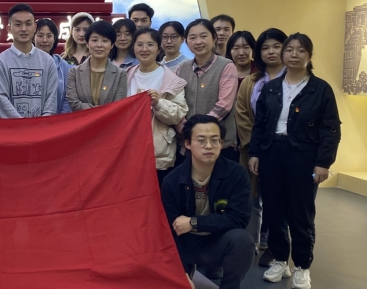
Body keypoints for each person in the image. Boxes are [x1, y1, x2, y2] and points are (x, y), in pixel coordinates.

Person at [249, 34, 341, 289]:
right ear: (283, 55)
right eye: (289, 50)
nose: (294, 54)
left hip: (303, 156)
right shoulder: (271, 87)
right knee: (273, 209)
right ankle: (280, 260)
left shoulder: (320, 89)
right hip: (272, 152)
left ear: (309, 56)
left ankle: (302, 265)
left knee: (301, 212)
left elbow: (330, 129)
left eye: (301, 50)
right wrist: (255, 152)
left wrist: (323, 162)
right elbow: (260, 124)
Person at [161, 115, 254, 289]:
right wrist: (181, 272)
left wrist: (194, 222)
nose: (209, 146)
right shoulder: (172, 181)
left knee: (242, 240)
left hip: (216, 243)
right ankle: (187, 271)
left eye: (214, 140)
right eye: (201, 140)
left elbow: (238, 218)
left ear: (222, 143)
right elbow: (170, 231)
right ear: (187, 143)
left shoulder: (236, 174)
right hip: (185, 244)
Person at [235, 28, 287, 261]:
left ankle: (275, 246)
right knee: (252, 198)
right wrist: (254, 145)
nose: (271, 52)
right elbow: (242, 114)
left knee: (278, 200)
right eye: (265, 48)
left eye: (276, 46)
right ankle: (251, 244)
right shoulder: (251, 81)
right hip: (254, 150)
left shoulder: (296, 80)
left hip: (285, 150)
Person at [126, 28, 188, 186]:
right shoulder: (125, 76)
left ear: (158, 49)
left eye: (150, 44)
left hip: (158, 152)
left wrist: (158, 103)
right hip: (128, 149)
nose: (144, 49)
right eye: (140, 44)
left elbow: (178, 114)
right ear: (134, 47)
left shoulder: (172, 80)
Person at [176, 19, 239, 163]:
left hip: (219, 145)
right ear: (186, 42)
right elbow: (174, 102)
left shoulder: (226, 66)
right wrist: (184, 128)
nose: (198, 42)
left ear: (214, 38)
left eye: (204, 36)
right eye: (192, 37)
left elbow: (224, 105)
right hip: (188, 145)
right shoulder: (181, 68)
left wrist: (197, 130)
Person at [0, 4, 58, 118]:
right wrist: (22, 125)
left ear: (34, 27)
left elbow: (51, 98)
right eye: (18, 24)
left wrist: (42, 123)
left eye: (28, 24)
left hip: (42, 127)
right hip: (11, 128)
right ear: (9, 29)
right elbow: (1, 100)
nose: (23, 29)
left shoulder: (48, 61)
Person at [66, 20, 127, 111]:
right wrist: (100, 111)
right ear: (87, 44)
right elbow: (74, 103)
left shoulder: (120, 74)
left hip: (110, 120)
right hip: (83, 120)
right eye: (94, 40)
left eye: (105, 41)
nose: (99, 45)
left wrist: (95, 111)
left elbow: (118, 106)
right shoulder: (74, 72)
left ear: (112, 45)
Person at [33, 18, 71, 114]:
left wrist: (61, 119)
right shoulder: (25, 64)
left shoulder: (63, 66)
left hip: (58, 121)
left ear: (54, 39)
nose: (44, 40)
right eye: (40, 35)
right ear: (33, 38)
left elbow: (68, 97)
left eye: (49, 36)